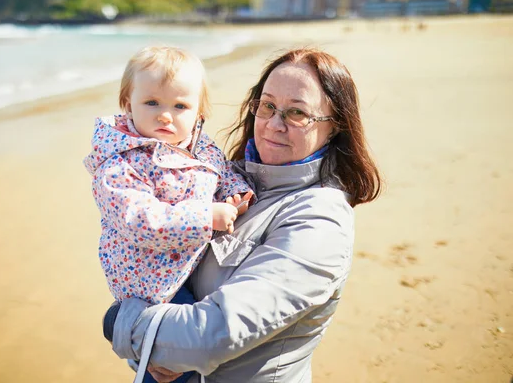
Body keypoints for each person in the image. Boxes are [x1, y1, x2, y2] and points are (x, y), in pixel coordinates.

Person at [106, 48, 382, 383]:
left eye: (297, 113)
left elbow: (214, 335)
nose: (273, 125)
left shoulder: (319, 221)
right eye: (267, 106)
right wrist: (150, 356)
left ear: (335, 126)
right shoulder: (223, 179)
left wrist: (120, 322)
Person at [84, 46, 254, 383]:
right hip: (151, 285)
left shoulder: (200, 147)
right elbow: (143, 222)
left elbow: (219, 171)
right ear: (126, 103)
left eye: (180, 106)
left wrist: (234, 189)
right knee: (172, 364)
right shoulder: (120, 163)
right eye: (152, 103)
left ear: (199, 112)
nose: (165, 116)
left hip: (189, 267)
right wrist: (207, 217)